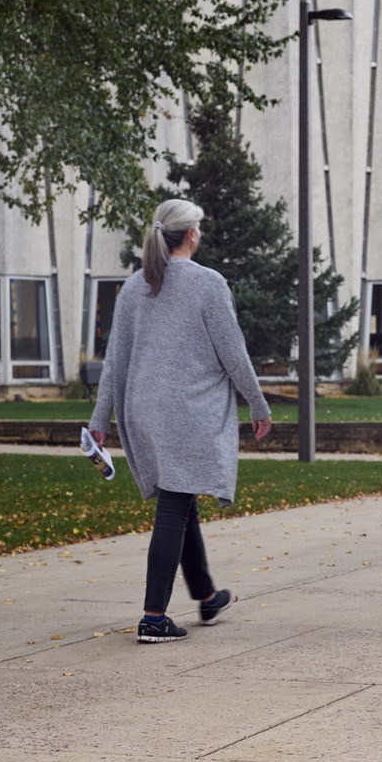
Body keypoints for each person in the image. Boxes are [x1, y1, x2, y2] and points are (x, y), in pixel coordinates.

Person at [89, 198, 273, 643]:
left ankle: (207, 597)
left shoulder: (135, 286)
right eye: (201, 228)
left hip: (142, 410)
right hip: (186, 412)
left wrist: (100, 418)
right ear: (191, 234)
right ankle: (154, 617)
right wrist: (258, 402)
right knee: (173, 505)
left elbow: (115, 361)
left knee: (179, 495)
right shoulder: (208, 283)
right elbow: (233, 351)